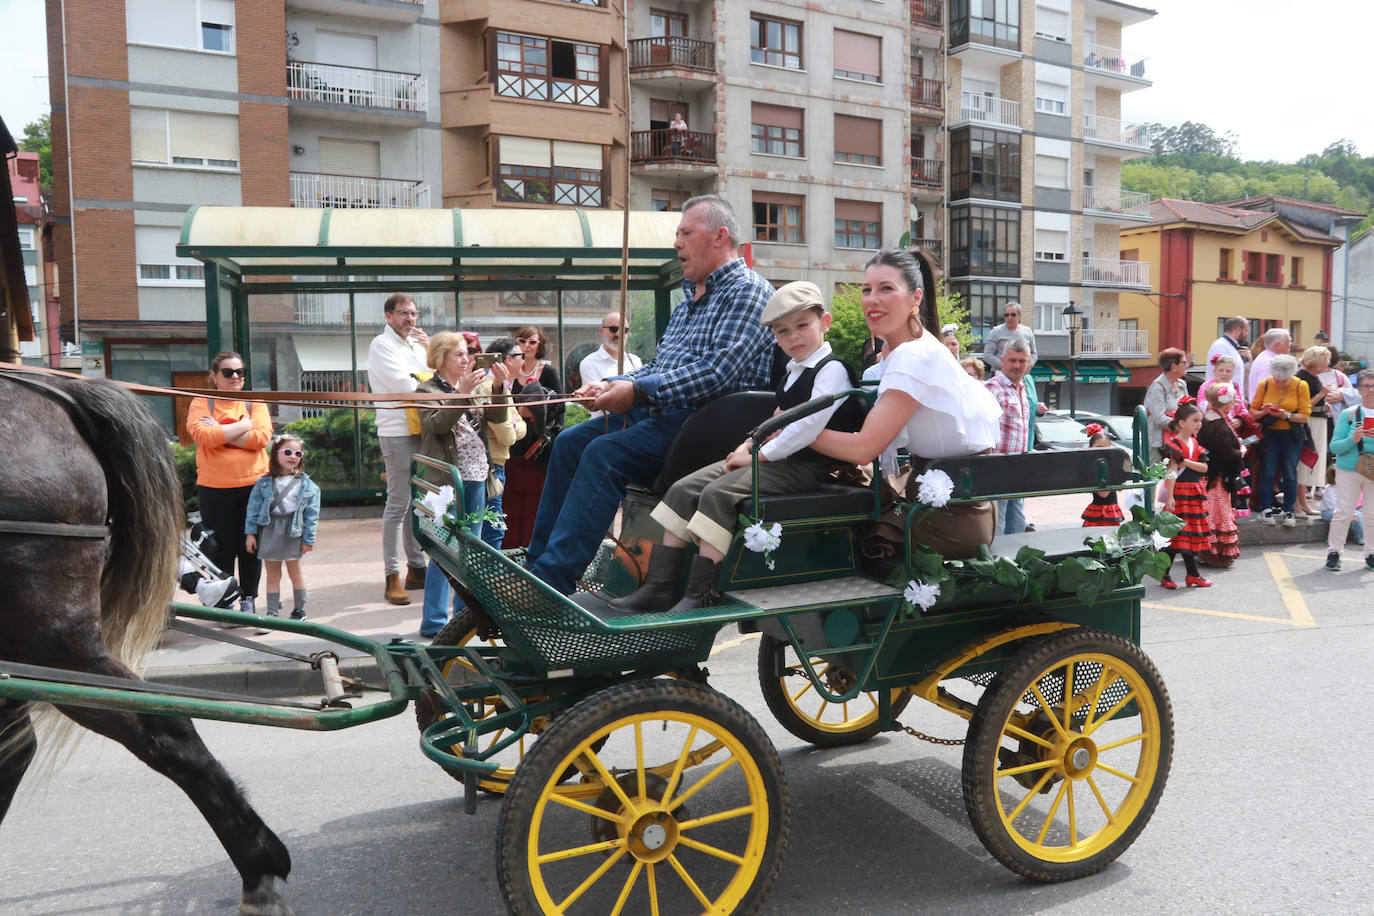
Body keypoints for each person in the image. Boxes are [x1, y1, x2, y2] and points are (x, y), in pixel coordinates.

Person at [525, 195, 775, 594]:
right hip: (666, 416)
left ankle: (551, 583)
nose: (676, 243)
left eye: (685, 233)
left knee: (604, 455)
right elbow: (660, 366)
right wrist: (614, 383)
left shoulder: (749, 293)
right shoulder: (689, 299)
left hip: (705, 426)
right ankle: (537, 564)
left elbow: (718, 373)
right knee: (570, 442)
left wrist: (638, 392)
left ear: (719, 237)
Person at [610, 281, 863, 612]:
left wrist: (756, 456)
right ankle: (660, 585)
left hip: (810, 466)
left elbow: (807, 428)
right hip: (773, 457)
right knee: (684, 488)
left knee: (718, 494)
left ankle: (700, 594)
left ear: (824, 322)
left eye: (802, 325)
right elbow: (774, 419)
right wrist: (746, 447)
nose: (793, 337)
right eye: (783, 332)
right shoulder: (790, 372)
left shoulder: (831, 372)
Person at [809, 248, 1002, 559]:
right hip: (958, 506)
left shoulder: (912, 356)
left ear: (915, 298)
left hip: (949, 521)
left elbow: (862, 449)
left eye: (886, 289)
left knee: (837, 537)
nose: (872, 299)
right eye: (866, 290)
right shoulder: (917, 347)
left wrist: (795, 430)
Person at [414, 331, 492, 638]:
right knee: (443, 550)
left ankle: (462, 618)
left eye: (467, 353)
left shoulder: (473, 386)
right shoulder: (426, 388)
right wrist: (461, 394)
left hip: (477, 475)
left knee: (471, 551)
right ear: (441, 357)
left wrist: (499, 386)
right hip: (445, 481)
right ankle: (434, 622)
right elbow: (437, 424)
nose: (467, 359)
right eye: (459, 354)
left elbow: (494, 418)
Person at [186, 351, 273, 620]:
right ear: (215, 377)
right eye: (228, 372)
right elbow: (202, 435)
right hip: (214, 487)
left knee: (251, 545)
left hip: (254, 484)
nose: (235, 377)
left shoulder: (254, 403)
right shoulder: (202, 402)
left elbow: (261, 438)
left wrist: (223, 433)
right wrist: (241, 427)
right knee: (220, 546)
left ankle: (248, 598)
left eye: (240, 372)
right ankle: (225, 602)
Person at [366, 292, 431, 605]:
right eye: (404, 313)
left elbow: (430, 377)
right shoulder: (382, 344)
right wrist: (429, 377)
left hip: (422, 427)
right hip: (397, 431)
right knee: (398, 504)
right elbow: (408, 386)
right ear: (388, 316)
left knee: (416, 503)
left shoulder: (417, 343)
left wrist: (430, 351)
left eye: (414, 314)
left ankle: (416, 568)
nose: (410, 319)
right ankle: (391, 576)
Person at [244, 435, 320, 621]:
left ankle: (299, 610)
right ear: (275, 454)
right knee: (272, 574)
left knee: (295, 572)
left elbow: (312, 516)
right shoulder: (263, 483)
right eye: (287, 452)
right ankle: (272, 612)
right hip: (269, 530)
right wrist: (250, 533)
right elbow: (252, 510)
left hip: (292, 531)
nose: (292, 456)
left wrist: (308, 539)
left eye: (297, 453)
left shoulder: (308, 485)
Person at [502, 323, 565, 549]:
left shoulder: (547, 371)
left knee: (534, 505)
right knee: (510, 504)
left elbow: (561, 408)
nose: (527, 346)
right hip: (512, 448)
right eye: (522, 341)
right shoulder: (507, 375)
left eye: (532, 342)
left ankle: (532, 551)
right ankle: (509, 552)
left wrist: (538, 410)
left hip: (539, 450)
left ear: (540, 346)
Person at [984, 338, 1038, 535]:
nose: (1017, 366)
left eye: (1022, 361)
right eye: (1012, 360)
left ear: (1028, 362)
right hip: (997, 467)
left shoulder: (1022, 387)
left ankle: (1016, 563)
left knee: (1017, 523)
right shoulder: (992, 388)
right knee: (997, 526)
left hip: (1019, 467)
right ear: (1002, 360)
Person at [1250, 353, 1310, 527]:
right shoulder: (1266, 384)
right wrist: (1264, 411)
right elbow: (1253, 411)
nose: (1280, 383)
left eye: (1284, 380)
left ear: (1291, 375)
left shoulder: (1300, 385)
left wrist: (1287, 415)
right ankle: (1266, 508)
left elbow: (1305, 416)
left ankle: (1289, 510)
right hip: (1270, 433)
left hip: (1292, 434)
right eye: (1277, 379)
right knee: (1268, 471)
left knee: (1290, 473)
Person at [479, 338, 528, 550]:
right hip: (490, 467)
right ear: (508, 360)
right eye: (521, 356)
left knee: (491, 527)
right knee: (492, 529)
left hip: (496, 464)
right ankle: (490, 580)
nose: (524, 361)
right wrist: (513, 426)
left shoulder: (502, 387)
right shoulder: (489, 387)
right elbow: (509, 436)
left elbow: (521, 427)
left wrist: (512, 425)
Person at [1323, 369, 1374, 572]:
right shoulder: (1350, 414)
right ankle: (1334, 553)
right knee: (1343, 512)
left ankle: (1371, 554)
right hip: (1349, 469)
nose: (1371, 390)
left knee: (1372, 515)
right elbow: (1335, 447)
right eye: (1366, 386)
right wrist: (1353, 438)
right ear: (1359, 389)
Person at [1159, 401, 1212, 588]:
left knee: (1185, 535)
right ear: (1182, 423)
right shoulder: (1174, 444)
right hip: (1180, 493)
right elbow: (1172, 472)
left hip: (1194, 492)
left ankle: (1188, 575)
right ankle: (1171, 574)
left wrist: (1187, 462)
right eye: (1195, 420)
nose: (1199, 424)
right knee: (1178, 535)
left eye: (1200, 421)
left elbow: (1204, 468)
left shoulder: (1195, 443)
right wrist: (1170, 497)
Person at [1196, 381, 1243, 567]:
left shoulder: (1210, 419)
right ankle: (1214, 553)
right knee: (1217, 516)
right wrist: (1242, 450)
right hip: (1216, 479)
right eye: (1232, 400)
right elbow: (1228, 454)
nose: (1234, 403)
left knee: (1212, 516)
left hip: (1211, 477)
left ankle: (1208, 552)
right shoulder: (1217, 424)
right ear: (1226, 402)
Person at [1296, 345, 1338, 517]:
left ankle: (1303, 502)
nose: (1328, 363)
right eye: (1326, 360)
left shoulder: (1311, 376)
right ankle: (1298, 503)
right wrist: (1321, 395)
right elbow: (1302, 406)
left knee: (1310, 463)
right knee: (1306, 462)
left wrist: (1324, 403)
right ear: (1317, 362)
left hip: (1318, 420)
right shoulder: (1302, 377)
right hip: (1310, 422)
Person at [579, 311, 644, 419]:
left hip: (634, 423)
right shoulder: (589, 363)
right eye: (613, 329)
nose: (618, 334)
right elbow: (598, 402)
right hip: (605, 425)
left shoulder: (635, 361)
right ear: (601, 332)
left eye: (624, 330)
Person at [1144, 347, 1188, 464]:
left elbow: (1188, 409)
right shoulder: (1157, 387)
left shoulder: (1181, 384)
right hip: (1158, 444)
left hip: (1177, 441)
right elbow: (1159, 419)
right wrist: (1183, 426)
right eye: (1184, 362)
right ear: (1173, 366)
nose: (1187, 365)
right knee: (1158, 479)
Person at [1081, 425, 1125, 528]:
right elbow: (1103, 493)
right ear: (1090, 448)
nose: (1103, 451)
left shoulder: (1105, 465)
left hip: (1107, 510)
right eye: (1099, 448)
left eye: (1106, 448)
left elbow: (1120, 488)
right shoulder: (1096, 467)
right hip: (1103, 513)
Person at [982, 302, 1037, 371]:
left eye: (1013, 315)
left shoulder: (1028, 331)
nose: (1009, 317)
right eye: (1006, 315)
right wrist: (1006, 366)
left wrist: (1029, 365)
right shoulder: (996, 331)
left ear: (1020, 315)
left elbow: (1034, 354)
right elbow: (987, 355)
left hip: (1021, 376)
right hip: (1000, 375)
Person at [1319, 464, 1363, 551]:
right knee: (1338, 516)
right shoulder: (1329, 489)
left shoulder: (1345, 487)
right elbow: (1331, 505)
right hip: (1328, 512)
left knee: (1358, 515)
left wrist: (1350, 510)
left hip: (1342, 509)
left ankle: (1360, 536)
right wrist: (1347, 511)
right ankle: (1333, 538)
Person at [1246, 327, 1290, 402]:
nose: (1291, 344)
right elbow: (1265, 391)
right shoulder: (1270, 363)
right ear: (1277, 345)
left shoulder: (1265, 356)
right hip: (1265, 410)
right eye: (1288, 342)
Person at [1205, 316, 1251, 383]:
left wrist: (1249, 361)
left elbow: (1237, 372)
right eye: (1246, 330)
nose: (1247, 334)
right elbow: (1220, 376)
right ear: (1238, 330)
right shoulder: (1221, 346)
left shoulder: (1229, 346)